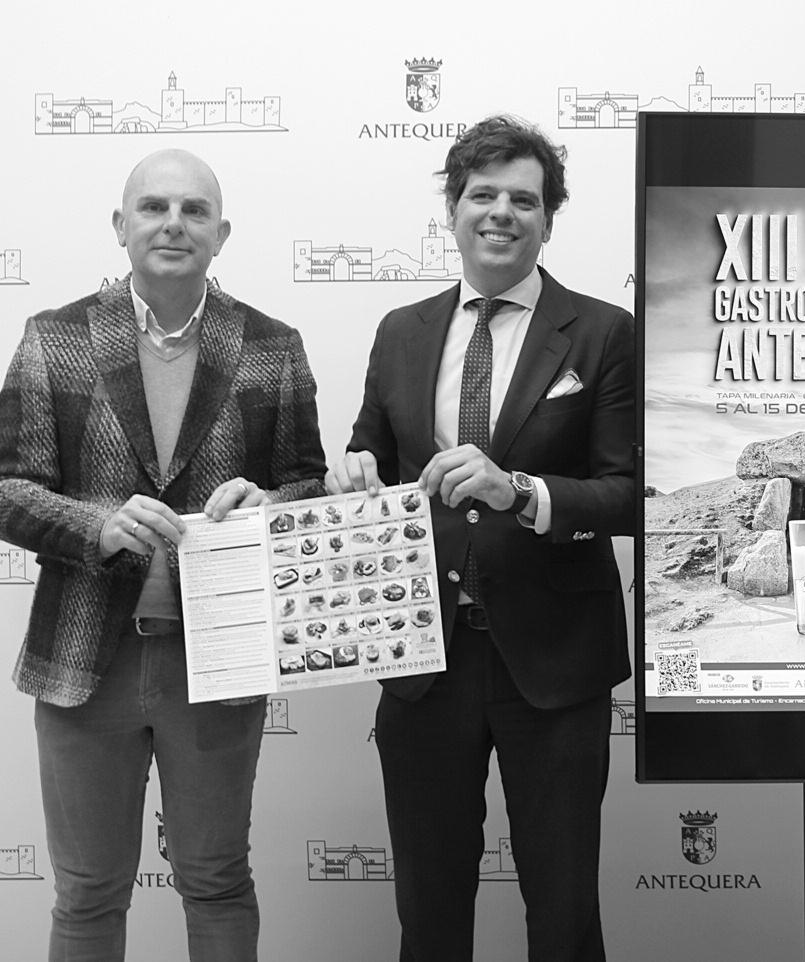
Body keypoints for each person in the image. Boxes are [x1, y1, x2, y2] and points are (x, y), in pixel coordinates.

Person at [0, 148, 326, 960]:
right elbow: (8, 489)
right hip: (85, 660)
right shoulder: (54, 338)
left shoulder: (272, 345)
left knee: (216, 881)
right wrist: (96, 527)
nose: (173, 224)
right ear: (121, 226)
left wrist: (270, 506)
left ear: (221, 233)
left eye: (192, 210)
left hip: (218, 662)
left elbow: (307, 487)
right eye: (153, 207)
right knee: (87, 893)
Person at [326, 114, 633, 961]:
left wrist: (519, 489)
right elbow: (368, 453)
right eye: (482, 195)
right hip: (422, 659)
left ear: (548, 220)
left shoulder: (603, 332)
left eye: (523, 200)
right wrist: (351, 472)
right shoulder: (401, 330)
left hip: (555, 662)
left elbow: (627, 494)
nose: (501, 213)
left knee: (564, 910)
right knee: (428, 911)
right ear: (453, 211)